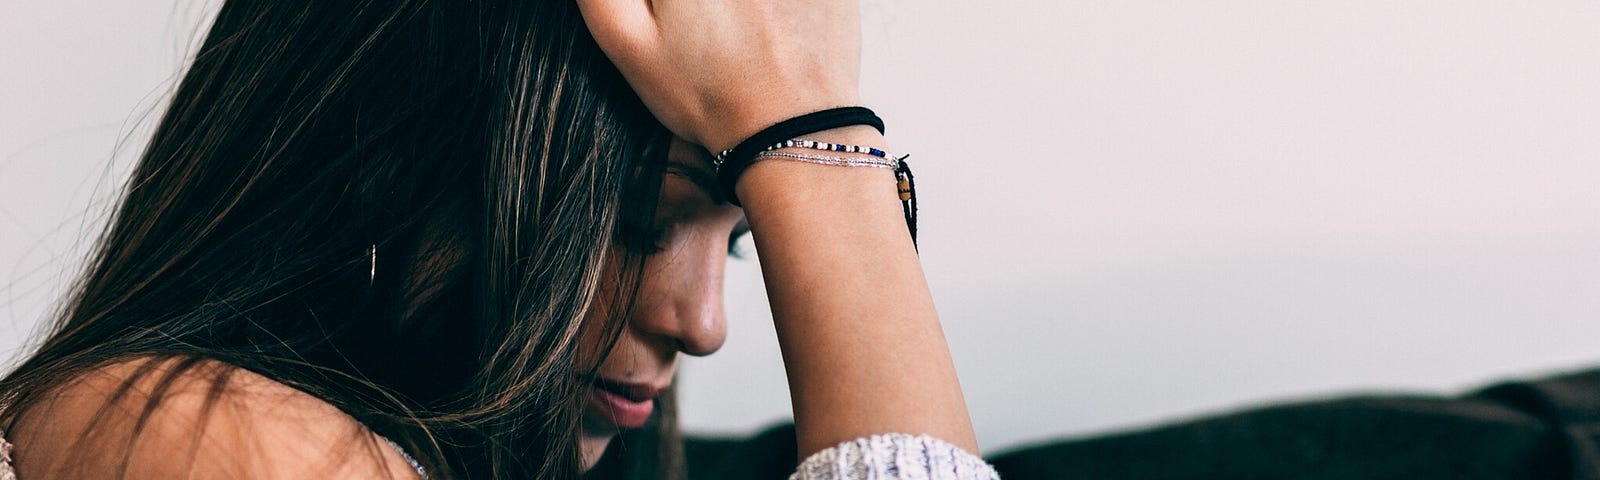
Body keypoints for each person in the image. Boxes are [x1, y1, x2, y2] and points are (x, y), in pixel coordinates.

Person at [0, 0, 995, 478]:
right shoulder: (200, 432)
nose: (704, 325)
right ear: (380, 170)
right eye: (640, 221)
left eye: (737, 244)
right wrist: (815, 150)